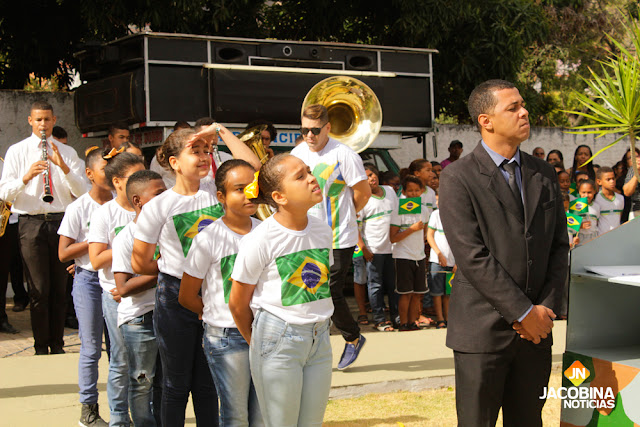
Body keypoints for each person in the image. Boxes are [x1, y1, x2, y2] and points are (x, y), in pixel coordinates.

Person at [439, 79, 569, 426]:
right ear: (486, 121)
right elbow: (472, 255)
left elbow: (559, 246)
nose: (524, 112)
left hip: (537, 331)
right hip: (482, 331)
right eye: (513, 108)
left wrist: (545, 309)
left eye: (523, 105)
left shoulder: (543, 173)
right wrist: (522, 312)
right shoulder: (458, 177)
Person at [132, 127, 259, 425]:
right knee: (175, 384)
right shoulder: (159, 206)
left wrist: (221, 130)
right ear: (174, 162)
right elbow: (139, 262)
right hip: (175, 298)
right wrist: (175, 267)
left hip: (215, 295)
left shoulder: (216, 192)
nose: (203, 157)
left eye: (207, 151)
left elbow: (252, 167)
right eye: (195, 151)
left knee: (207, 383)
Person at [229, 153, 333, 427]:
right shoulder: (260, 239)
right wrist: (260, 344)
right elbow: (237, 303)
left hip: (320, 338)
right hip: (278, 338)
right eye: (300, 176)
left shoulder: (323, 230)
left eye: (309, 171)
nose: (312, 178)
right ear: (279, 197)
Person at [179, 160, 263, 427]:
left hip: (265, 331)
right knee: (235, 415)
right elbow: (186, 296)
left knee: (262, 414)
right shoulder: (208, 238)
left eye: (252, 187)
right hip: (227, 336)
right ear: (221, 196)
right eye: (239, 189)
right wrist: (215, 314)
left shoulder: (267, 231)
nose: (249, 194)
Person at [0, 100, 87, 355]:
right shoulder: (17, 151)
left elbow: (82, 191)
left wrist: (63, 167)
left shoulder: (67, 152)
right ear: (30, 121)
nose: (43, 124)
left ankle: (57, 345)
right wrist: (26, 177)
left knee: (60, 289)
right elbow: (4, 193)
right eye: (38, 119)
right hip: (31, 223)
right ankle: (40, 347)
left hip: (61, 221)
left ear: (54, 120)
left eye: (47, 119)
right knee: (38, 289)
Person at [291, 104, 371, 370]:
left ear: (327, 127)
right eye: (304, 130)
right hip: (307, 236)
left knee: (329, 290)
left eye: (315, 130)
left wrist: (345, 216)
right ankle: (314, 346)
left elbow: (363, 193)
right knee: (309, 290)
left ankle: (353, 337)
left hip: (339, 238)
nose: (309, 135)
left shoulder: (345, 154)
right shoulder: (297, 153)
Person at [88, 150, 145, 426]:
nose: (142, 180)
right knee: (122, 360)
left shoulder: (151, 208)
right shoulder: (105, 214)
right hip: (116, 295)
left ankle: (146, 415)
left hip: (148, 291)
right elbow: (96, 259)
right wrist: (129, 241)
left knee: (148, 363)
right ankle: (119, 418)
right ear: (118, 182)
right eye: (136, 176)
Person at [58, 146, 112, 426]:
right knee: (91, 347)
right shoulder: (78, 207)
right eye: (105, 168)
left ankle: (121, 408)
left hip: (117, 279)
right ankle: (88, 410)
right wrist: (94, 243)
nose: (111, 173)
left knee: (118, 349)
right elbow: (63, 252)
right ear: (89, 174)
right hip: (89, 280)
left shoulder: (123, 203)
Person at [112, 170, 167, 427]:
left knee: (165, 382)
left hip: (168, 314)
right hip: (139, 320)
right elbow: (123, 287)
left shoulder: (169, 230)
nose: (166, 198)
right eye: (159, 194)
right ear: (138, 201)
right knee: (142, 382)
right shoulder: (126, 237)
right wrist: (166, 270)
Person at [360, 164, 398, 331]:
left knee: (393, 285)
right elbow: (355, 226)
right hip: (374, 250)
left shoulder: (389, 190)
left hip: (394, 248)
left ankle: (397, 317)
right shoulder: (362, 198)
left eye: (372, 174)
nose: (371, 178)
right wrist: (364, 248)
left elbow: (398, 215)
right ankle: (379, 319)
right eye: (366, 177)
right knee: (375, 285)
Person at [390, 175, 429, 331]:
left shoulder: (424, 210)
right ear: (404, 192)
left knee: (417, 293)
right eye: (410, 191)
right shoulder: (398, 210)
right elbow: (393, 238)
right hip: (403, 256)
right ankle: (403, 323)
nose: (414, 193)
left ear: (422, 191)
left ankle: (413, 322)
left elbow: (425, 233)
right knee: (405, 293)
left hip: (419, 256)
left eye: (417, 190)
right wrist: (411, 229)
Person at [426, 196, 455, 329]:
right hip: (437, 261)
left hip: (453, 262)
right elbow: (429, 235)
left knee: (448, 292)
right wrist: (438, 254)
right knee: (437, 292)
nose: (438, 203)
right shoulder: (435, 214)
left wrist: (458, 262)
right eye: (436, 200)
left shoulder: (455, 214)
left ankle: (448, 318)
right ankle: (440, 319)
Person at [595, 166, 623, 234]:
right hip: (601, 236)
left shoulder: (620, 198)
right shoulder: (596, 199)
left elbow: (619, 217)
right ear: (599, 182)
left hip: (617, 235)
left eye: (613, 179)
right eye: (608, 179)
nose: (612, 181)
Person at [576, 179, 600, 245]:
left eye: (589, 192)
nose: (586, 195)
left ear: (594, 191)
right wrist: (580, 226)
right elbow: (570, 223)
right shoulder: (575, 206)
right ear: (579, 192)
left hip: (593, 237)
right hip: (580, 237)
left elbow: (597, 222)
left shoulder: (597, 206)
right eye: (583, 192)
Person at [622, 150, 640, 219]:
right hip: (637, 210)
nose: (635, 159)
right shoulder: (633, 169)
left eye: (637, 156)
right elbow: (627, 192)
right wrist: (637, 172)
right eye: (631, 157)